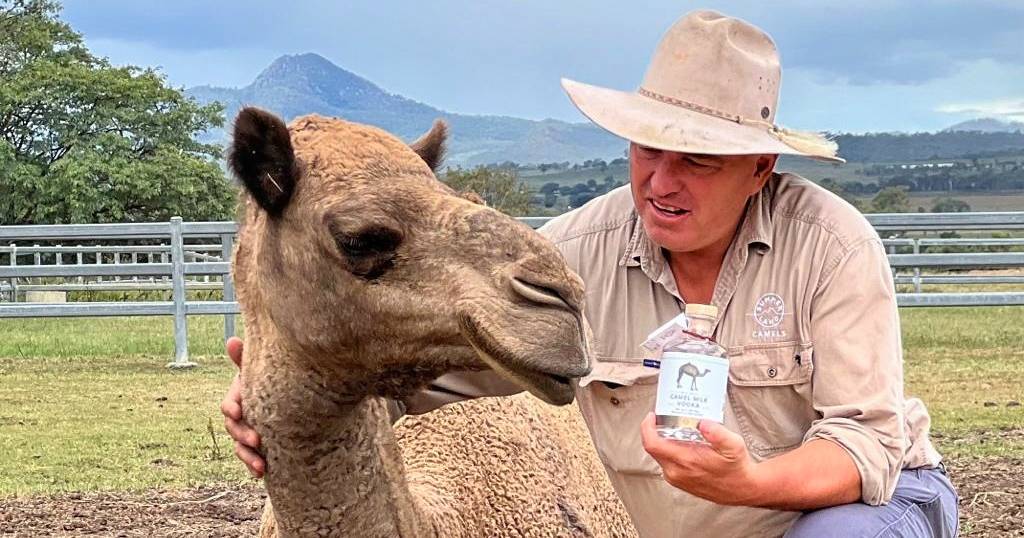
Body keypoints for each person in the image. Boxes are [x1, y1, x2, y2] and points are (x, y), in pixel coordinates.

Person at [221, 10, 959, 537]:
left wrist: (751, 483)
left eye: (697, 158)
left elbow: (867, 449)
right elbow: (424, 370)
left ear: (760, 167)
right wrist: (289, 396)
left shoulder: (831, 247)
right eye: (647, 150)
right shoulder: (578, 252)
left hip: (842, 513)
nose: (662, 182)